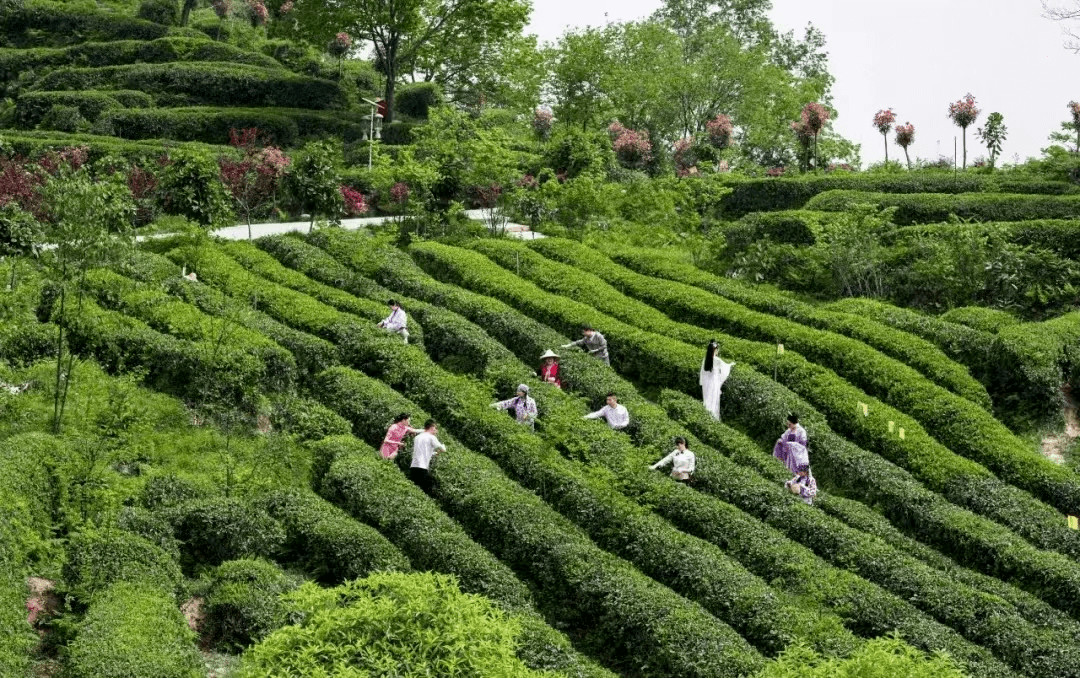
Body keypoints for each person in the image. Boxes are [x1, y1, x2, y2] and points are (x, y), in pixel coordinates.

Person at [699, 339, 734, 420]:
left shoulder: (706, 359)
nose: (718, 351)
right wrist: (730, 365)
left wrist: (701, 382)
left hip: (707, 383)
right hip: (714, 382)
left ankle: (707, 414)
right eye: (717, 349)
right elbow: (725, 368)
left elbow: (702, 372)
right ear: (714, 350)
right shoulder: (717, 360)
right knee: (714, 399)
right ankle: (714, 416)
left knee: (707, 398)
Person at [410, 419, 445, 496]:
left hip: (413, 467)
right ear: (431, 427)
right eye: (435, 428)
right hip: (422, 468)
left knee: (414, 490)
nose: (436, 431)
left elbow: (423, 451)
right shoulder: (431, 437)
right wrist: (443, 446)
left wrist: (434, 453)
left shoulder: (417, 437)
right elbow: (443, 449)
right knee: (425, 491)